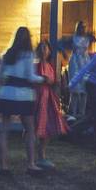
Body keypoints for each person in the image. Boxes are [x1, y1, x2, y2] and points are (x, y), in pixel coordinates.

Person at [0, 27, 45, 177]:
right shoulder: (28, 55)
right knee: (30, 129)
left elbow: (0, 76)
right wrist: (44, 79)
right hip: (24, 94)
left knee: (4, 130)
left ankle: (4, 166)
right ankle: (31, 164)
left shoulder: (7, 54)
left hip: (6, 93)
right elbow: (30, 77)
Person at [34, 39, 68, 170]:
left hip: (48, 99)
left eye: (46, 48)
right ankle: (35, 156)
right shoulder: (36, 66)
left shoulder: (50, 66)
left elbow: (53, 81)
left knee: (46, 128)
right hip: (38, 98)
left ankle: (41, 155)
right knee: (36, 127)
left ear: (49, 51)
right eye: (41, 48)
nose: (44, 50)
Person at [67, 21, 91, 119]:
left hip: (85, 61)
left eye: (84, 27)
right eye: (81, 27)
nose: (83, 29)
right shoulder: (73, 38)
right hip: (75, 62)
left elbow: (85, 50)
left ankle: (81, 113)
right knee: (75, 90)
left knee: (84, 90)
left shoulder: (87, 39)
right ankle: (73, 112)